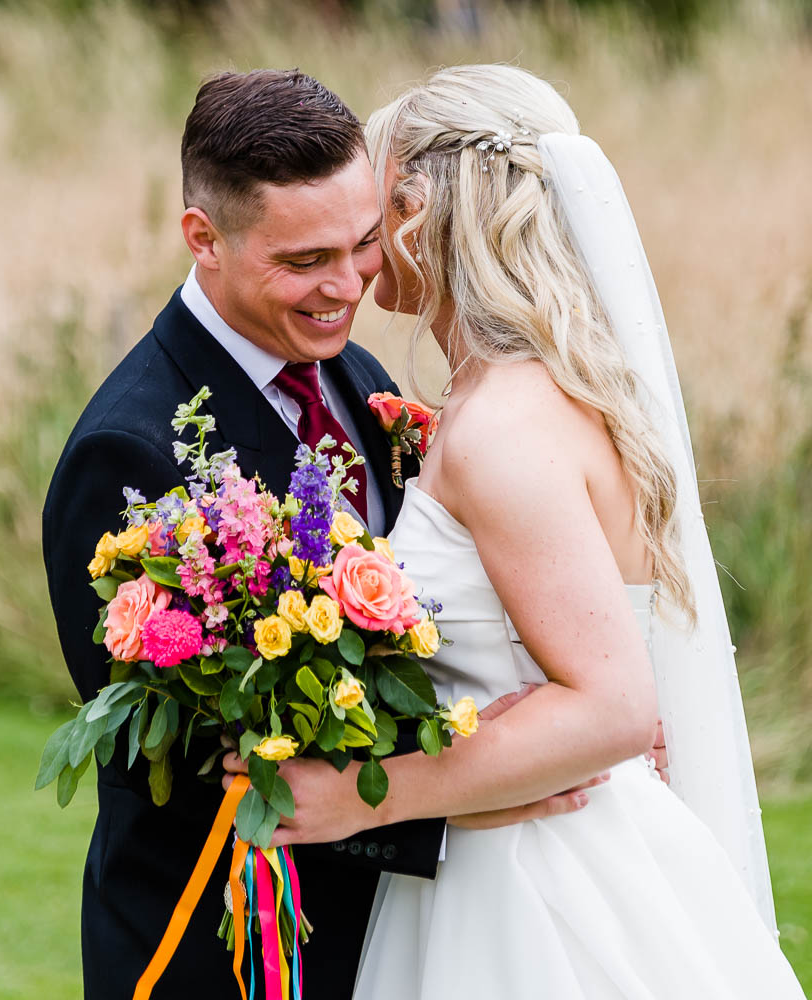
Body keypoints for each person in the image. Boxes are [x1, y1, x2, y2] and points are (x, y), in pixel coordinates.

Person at [223, 65, 808, 997]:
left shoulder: (504, 426)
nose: (358, 257)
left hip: (537, 883)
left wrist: (362, 801)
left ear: (416, 213)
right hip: (520, 841)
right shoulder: (513, 396)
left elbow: (611, 708)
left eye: (371, 222)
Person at [42, 68, 603, 1000]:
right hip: (221, 952)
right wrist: (454, 802)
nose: (346, 287)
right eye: (305, 260)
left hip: (389, 938)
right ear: (204, 238)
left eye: (365, 243)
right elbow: (173, 764)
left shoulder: (354, 373)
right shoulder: (130, 450)